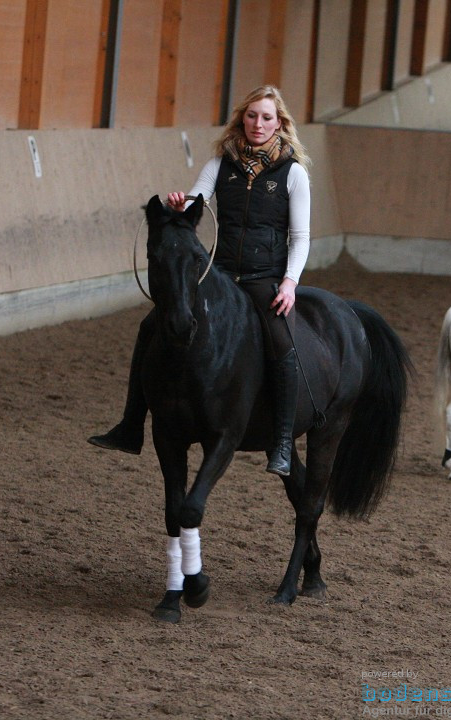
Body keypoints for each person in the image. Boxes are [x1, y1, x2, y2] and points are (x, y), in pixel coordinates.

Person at [88, 85, 312, 477]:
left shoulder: (293, 173)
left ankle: (280, 442)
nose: (258, 124)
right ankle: (130, 425)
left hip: (264, 279)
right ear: (242, 118)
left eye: (267, 118)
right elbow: (195, 207)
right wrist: (180, 206)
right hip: (219, 272)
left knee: (282, 343)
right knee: (150, 326)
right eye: (252, 116)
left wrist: (290, 282)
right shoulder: (219, 166)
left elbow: (301, 236)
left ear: (280, 124)